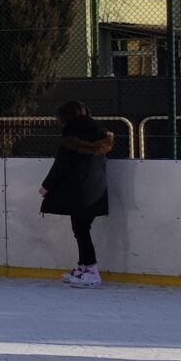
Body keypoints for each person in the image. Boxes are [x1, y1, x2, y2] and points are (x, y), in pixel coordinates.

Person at [40, 101, 114, 287]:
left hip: (79, 188)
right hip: (96, 188)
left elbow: (61, 165)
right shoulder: (99, 132)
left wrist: (46, 186)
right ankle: (83, 267)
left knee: (81, 230)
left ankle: (91, 270)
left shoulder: (71, 136)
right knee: (81, 228)